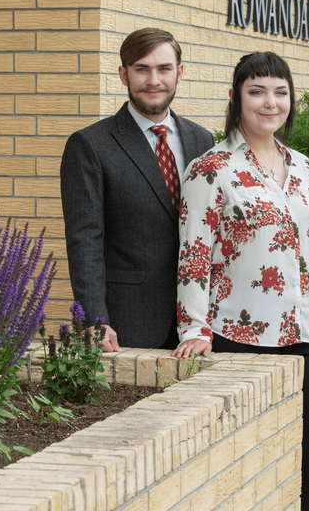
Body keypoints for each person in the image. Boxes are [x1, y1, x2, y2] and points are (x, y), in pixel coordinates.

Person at [172, 52, 309, 511]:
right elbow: (194, 256)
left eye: (280, 92)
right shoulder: (211, 169)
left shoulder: (305, 168)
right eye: (257, 91)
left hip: (303, 334)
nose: (270, 103)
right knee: (247, 461)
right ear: (235, 98)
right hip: (237, 339)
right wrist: (194, 329)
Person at [60, 28, 214, 352]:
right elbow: (84, 240)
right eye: (142, 69)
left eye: (164, 69)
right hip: (126, 320)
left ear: (179, 73)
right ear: (123, 74)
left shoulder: (202, 140)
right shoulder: (90, 145)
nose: (153, 80)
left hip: (198, 321)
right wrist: (95, 319)